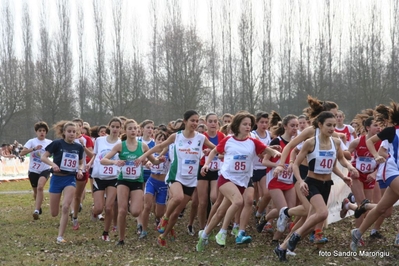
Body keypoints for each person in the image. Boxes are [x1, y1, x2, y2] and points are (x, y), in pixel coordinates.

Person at [274, 111, 356, 262]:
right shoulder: (310, 142)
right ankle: (296, 236)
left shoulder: (336, 142)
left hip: (327, 183)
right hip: (311, 183)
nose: (332, 128)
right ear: (320, 125)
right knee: (322, 213)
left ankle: (282, 247)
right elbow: (296, 164)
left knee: (310, 220)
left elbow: (339, 161)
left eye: (333, 125)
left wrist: (347, 172)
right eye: (329, 125)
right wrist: (301, 181)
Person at [196, 111, 281, 251]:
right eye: (244, 124)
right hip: (227, 178)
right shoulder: (228, 140)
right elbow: (214, 151)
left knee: (222, 210)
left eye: (249, 124)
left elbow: (265, 150)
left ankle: (204, 235)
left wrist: (275, 152)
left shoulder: (253, 141)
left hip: (244, 179)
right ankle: (222, 233)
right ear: (237, 125)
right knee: (238, 202)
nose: (248, 127)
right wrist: (206, 164)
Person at [135, 110, 216, 247]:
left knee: (177, 212)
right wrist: (143, 156)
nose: (195, 123)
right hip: (175, 176)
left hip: (190, 180)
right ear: (185, 121)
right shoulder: (176, 136)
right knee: (177, 197)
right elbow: (160, 146)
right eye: (192, 120)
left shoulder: (201, 138)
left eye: (197, 121)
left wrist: (213, 156)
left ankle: (163, 235)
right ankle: (164, 218)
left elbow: (216, 149)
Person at [100, 119, 163, 246]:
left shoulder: (143, 146)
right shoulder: (120, 146)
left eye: (135, 128)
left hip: (137, 181)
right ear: (125, 131)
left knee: (135, 211)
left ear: (138, 130)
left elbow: (154, 161)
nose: (133, 131)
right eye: (130, 128)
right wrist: (115, 162)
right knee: (122, 211)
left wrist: (158, 160)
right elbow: (103, 160)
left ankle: (130, 203)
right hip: (123, 181)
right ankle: (121, 239)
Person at [351, 101, 399, 251]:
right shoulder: (391, 131)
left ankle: (357, 233)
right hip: (391, 171)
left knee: (382, 208)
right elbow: (370, 141)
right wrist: (376, 156)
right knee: (382, 208)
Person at [40, 121, 84, 243]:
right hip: (56, 179)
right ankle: (58, 218)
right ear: (64, 132)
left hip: (70, 178)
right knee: (54, 213)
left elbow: (80, 162)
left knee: (65, 207)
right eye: (69, 131)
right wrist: (53, 164)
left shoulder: (78, 147)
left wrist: (80, 170)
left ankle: (60, 236)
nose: (71, 134)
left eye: (74, 132)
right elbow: (43, 157)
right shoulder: (57, 143)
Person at [87, 117, 122, 241]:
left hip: (114, 178)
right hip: (99, 176)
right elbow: (96, 155)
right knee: (99, 208)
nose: (115, 129)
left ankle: (105, 233)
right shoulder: (100, 140)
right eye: (113, 126)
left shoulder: (121, 143)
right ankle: (94, 212)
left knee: (108, 207)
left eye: (118, 127)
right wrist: (90, 163)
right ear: (109, 127)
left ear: (120, 129)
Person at [140, 131, 170, 239]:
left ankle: (158, 220)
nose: (161, 141)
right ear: (155, 140)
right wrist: (146, 162)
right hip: (151, 181)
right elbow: (145, 161)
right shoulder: (151, 151)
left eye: (163, 139)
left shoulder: (169, 152)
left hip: (163, 184)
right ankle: (143, 230)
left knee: (159, 213)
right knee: (147, 206)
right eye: (159, 139)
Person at [20, 121, 52, 220]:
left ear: (46, 132)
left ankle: (36, 210)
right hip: (33, 170)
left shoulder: (50, 142)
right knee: (36, 191)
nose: (42, 132)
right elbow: (22, 153)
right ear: (36, 132)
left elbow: (54, 153)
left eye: (43, 131)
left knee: (40, 187)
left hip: (45, 169)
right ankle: (39, 206)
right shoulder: (31, 141)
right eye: (39, 131)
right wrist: (33, 149)